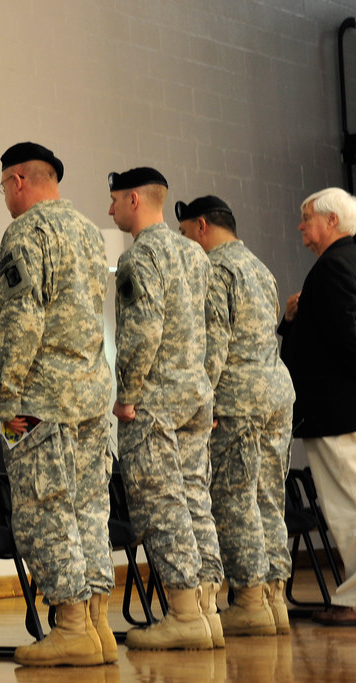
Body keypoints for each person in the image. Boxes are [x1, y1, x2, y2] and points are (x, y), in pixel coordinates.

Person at [0, 142, 114, 666]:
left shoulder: (26, 233)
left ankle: (71, 628)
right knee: (89, 510)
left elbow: (21, 320)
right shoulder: (89, 231)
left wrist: (6, 396)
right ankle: (98, 627)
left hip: (42, 400)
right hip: (92, 396)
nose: (4, 197)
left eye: (3, 186)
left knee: (45, 511)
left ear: (19, 180)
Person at [108, 167, 223, 650]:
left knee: (161, 505)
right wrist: (206, 386)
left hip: (154, 402)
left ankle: (183, 615)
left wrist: (127, 394)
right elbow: (216, 330)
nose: (110, 209)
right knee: (196, 499)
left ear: (135, 199)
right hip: (194, 397)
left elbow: (142, 331)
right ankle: (208, 612)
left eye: (115, 200)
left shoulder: (140, 256)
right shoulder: (195, 254)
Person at [177, 195, 294, 636]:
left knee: (235, 499)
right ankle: (274, 599)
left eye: (186, 233)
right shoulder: (259, 268)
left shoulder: (216, 269)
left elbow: (214, 345)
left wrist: (200, 402)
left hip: (239, 399)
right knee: (268, 497)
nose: (187, 242)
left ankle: (248, 600)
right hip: (275, 392)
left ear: (202, 227)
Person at [278, 187, 356, 626]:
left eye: (307, 219)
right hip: (342, 409)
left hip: (336, 411)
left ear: (331, 221)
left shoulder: (331, 268)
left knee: (348, 507)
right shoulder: (346, 261)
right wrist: (293, 320)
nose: (301, 227)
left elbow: (347, 338)